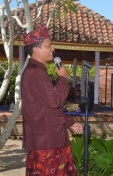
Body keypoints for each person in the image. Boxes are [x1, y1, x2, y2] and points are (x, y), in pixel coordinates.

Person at [21, 24, 83, 175]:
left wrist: (70, 123)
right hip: (46, 141)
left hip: (51, 138)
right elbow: (55, 100)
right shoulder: (34, 73)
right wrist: (62, 77)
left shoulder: (38, 71)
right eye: (48, 45)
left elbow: (48, 107)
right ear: (36, 49)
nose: (52, 49)